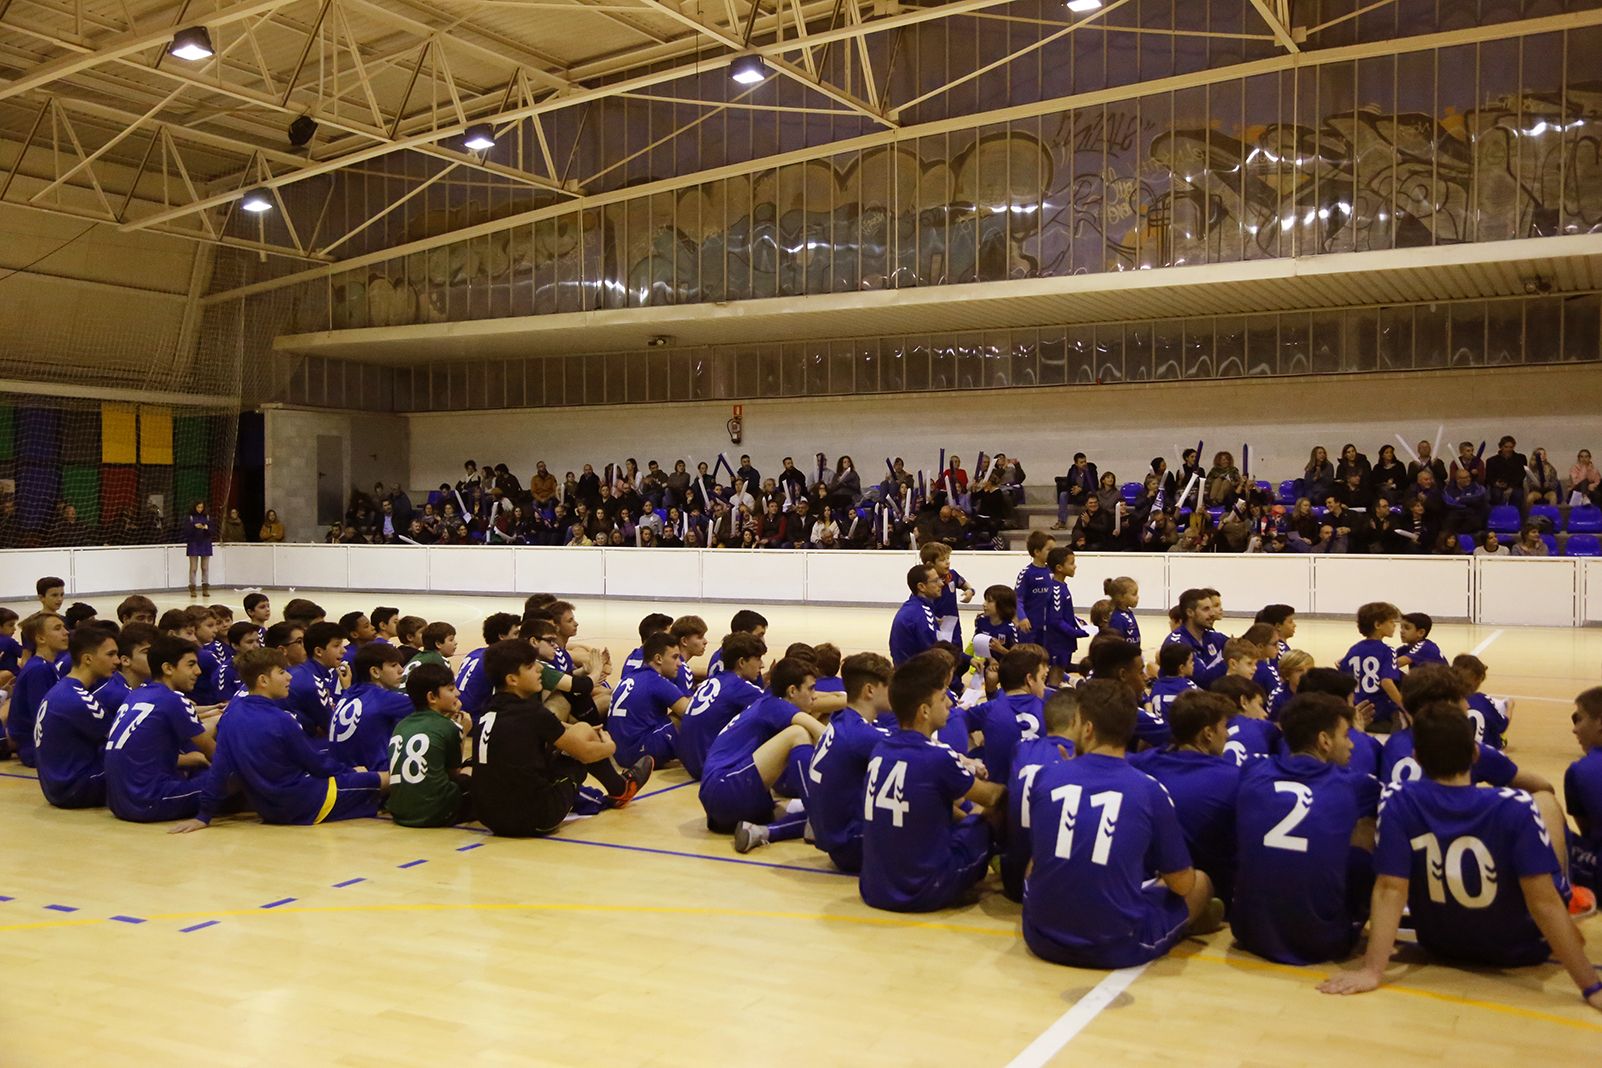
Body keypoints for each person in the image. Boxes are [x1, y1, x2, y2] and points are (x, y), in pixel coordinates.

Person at [1319, 711, 1602, 1011]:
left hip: (1438, 944)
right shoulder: (1514, 805)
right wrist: (1591, 986)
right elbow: (1542, 902)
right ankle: (1569, 896)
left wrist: (1372, 970)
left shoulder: (1398, 798)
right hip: (1519, 950)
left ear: (1416, 758)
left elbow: (1391, 889)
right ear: (1476, 754)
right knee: (1544, 801)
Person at [1022, 679, 1222, 968]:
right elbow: (1182, 884)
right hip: (1114, 947)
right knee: (1199, 883)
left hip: (1039, 936)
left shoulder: (1046, 777)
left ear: (1087, 729)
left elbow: (1036, 863)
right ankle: (1180, 923)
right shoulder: (1149, 789)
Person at [171, 649, 389, 833]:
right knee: (385, 779)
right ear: (263, 680)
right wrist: (352, 772)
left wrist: (204, 815)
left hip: (269, 809)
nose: (289, 678)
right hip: (308, 802)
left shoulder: (232, 713)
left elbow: (220, 768)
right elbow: (316, 765)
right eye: (282, 672)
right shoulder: (280, 719)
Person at [1233, 693, 1380, 964]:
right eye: (1346, 736)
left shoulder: (1253, 770)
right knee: (1367, 826)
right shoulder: (1356, 785)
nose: (1351, 745)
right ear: (1324, 741)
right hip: (1324, 942)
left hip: (1248, 932)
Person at [858, 652, 1003, 913]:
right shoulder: (937, 756)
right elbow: (991, 798)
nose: (947, 703)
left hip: (874, 887)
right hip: (923, 891)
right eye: (941, 699)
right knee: (988, 818)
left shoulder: (880, 748)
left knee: (952, 813)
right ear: (924, 710)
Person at [473, 640, 649, 836]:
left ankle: (615, 789)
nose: (540, 669)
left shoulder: (488, 709)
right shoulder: (532, 713)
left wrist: (575, 728)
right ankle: (621, 789)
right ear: (512, 679)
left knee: (578, 732)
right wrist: (610, 745)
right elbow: (586, 753)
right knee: (575, 754)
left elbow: (537, 728)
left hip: (490, 818)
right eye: (531, 666)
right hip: (536, 819)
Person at [1129, 690, 1242, 906]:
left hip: (1142, 884)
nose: (1227, 735)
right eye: (1224, 727)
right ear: (1208, 733)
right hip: (1206, 890)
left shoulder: (1139, 763)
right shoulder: (1233, 777)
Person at [702, 657, 825, 853]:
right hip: (726, 787)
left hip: (720, 799)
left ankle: (760, 832)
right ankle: (818, 820)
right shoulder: (775, 705)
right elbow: (823, 735)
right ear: (792, 691)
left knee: (804, 809)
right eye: (810, 689)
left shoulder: (765, 703)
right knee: (799, 733)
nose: (815, 696)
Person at [104, 636, 216, 823]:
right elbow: (214, 752)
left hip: (118, 803)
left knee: (200, 767)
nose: (198, 671)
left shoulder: (137, 694)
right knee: (236, 772)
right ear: (168, 668)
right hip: (150, 802)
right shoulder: (174, 699)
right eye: (190, 665)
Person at [807, 652, 895, 873]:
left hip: (836, 838)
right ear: (870, 690)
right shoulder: (862, 736)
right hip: (852, 844)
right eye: (889, 685)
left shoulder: (842, 719)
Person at [999, 687, 1077, 902]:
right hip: (1050, 886)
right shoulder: (1077, 756)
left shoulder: (1021, 748)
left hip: (1012, 878)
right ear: (1077, 721)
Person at [35, 626, 121, 808]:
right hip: (76, 788)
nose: (117, 661)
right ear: (88, 659)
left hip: (55, 786)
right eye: (110, 654)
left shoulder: (61, 689)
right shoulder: (79, 699)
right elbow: (123, 742)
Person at [386, 663, 474, 828]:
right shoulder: (448, 727)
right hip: (435, 813)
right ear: (432, 697)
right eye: (450, 689)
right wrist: (462, 732)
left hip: (399, 811)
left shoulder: (402, 724)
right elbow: (454, 774)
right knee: (473, 768)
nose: (458, 693)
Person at [678, 632, 767, 780]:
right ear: (742, 662)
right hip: (713, 766)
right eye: (758, 659)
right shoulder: (740, 687)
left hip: (690, 763)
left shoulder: (711, 681)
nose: (762, 665)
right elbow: (782, 705)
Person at [606, 631, 691, 767]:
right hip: (638, 753)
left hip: (618, 753)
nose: (679, 664)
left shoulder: (630, 676)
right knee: (690, 715)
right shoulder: (656, 680)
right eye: (675, 657)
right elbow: (692, 712)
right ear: (658, 659)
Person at [968, 644, 1049, 785]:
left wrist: (971, 754)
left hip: (998, 792)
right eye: (1043, 679)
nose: (1044, 686)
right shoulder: (1050, 706)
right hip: (1040, 790)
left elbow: (952, 722)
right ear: (1029, 679)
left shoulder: (989, 709)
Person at [329, 644, 415, 772]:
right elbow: (434, 705)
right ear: (375, 672)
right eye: (393, 665)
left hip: (345, 775)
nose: (401, 670)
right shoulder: (383, 698)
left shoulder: (349, 693)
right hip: (374, 778)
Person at [8, 611, 70, 766]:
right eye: (57, 628)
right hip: (36, 748)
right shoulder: (38, 670)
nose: (66, 632)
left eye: (64, 627)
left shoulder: (48, 666)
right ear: (41, 638)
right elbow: (42, 716)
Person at [1339, 601, 1405, 731]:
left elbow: (1344, 680)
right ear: (1378, 624)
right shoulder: (1387, 650)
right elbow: (1386, 681)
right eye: (1391, 622)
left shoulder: (1354, 650)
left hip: (1360, 714)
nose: (1394, 626)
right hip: (1382, 713)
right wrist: (1404, 706)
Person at [1566, 687, 1602, 895]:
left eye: (1578, 719)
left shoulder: (1579, 770)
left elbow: (1587, 832)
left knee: (1544, 817)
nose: (1575, 729)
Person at [286, 621, 348, 738]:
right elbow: (336, 727)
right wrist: (347, 690)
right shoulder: (313, 682)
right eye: (336, 645)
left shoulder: (303, 671)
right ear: (318, 651)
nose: (343, 650)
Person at [455, 613, 520, 724]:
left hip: (457, 714)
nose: (519, 638)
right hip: (474, 719)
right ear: (502, 636)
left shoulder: (474, 653)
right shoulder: (499, 660)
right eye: (515, 634)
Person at [1040, 547, 1087, 688]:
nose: (1075, 566)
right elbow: (1055, 620)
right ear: (1059, 568)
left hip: (1063, 641)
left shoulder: (1062, 586)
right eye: (1071, 563)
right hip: (1056, 642)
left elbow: (1063, 613)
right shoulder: (1056, 590)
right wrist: (1077, 632)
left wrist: (1076, 622)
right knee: (1054, 677)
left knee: (1059, 673)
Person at [1165, 587, 1227, 688]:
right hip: (1186, 701)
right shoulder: (1178, 644)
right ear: (1190, 613)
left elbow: (1238, 645)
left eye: (1212, 608)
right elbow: (1202, 680)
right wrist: (1231, 661)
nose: (1212, 613)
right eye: (1206, 609)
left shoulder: (1212, 637)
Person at [888, 564, 942, 666]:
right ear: (921, 587)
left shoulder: (911, 608)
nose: (941, 584)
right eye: (935, 581)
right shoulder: (923, 614)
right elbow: (935, 654)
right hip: (916, 675)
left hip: (903, 671)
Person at [1454, 654, 1509, 750]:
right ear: (1477, 679)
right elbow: (1502, 725)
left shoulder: (1443, 699)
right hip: (1482, 754)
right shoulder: (1483, 700)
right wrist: (1510, 706)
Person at [1012, 530, 1055, 638]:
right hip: (1030, 626)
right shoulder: (1026, 573)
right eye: (1049, 550)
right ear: (1037, 552)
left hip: (1049, 626)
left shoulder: (1053, 571)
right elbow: (1017, 598)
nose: (1053, 553)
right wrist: (1022, 617)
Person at [706, 609, 768, 676]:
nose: (763, 641)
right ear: (744, 634)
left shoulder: (749, 655)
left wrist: (769, 675)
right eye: (759, 635)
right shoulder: (721, 662)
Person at [185, 501, 213, 598]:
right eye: (198, 507)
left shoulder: (207, 517)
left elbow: (212, 530)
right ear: (194, 507)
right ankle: (192, 588)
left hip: (205, 543)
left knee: (205, 568)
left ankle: (205, 588)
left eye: (201, 507)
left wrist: (206, 527)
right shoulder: (190, 517)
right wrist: (194, 527)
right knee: (193, 568)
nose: (200, 509)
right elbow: (186, 531)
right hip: (193, 543)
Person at [1104, 577, 1140, 651]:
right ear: (1121, 597)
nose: (1138, 597)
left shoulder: (1128, 612)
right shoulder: (1117, 619)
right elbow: (1117, 644)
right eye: (1134, 594)